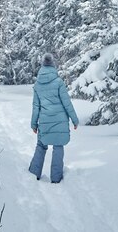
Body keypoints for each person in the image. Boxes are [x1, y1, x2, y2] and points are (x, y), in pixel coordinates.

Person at [29, 53, 79, 183]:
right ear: (53, 65)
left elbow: (36, 106)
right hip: (60, 121)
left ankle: (33, 174)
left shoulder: (38, 85)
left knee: (41, 145)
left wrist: (34, 124)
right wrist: (74, 119)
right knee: (58, 147)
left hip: (44, 122)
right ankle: (56, 179)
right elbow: (67, 103)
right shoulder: (58, 82)